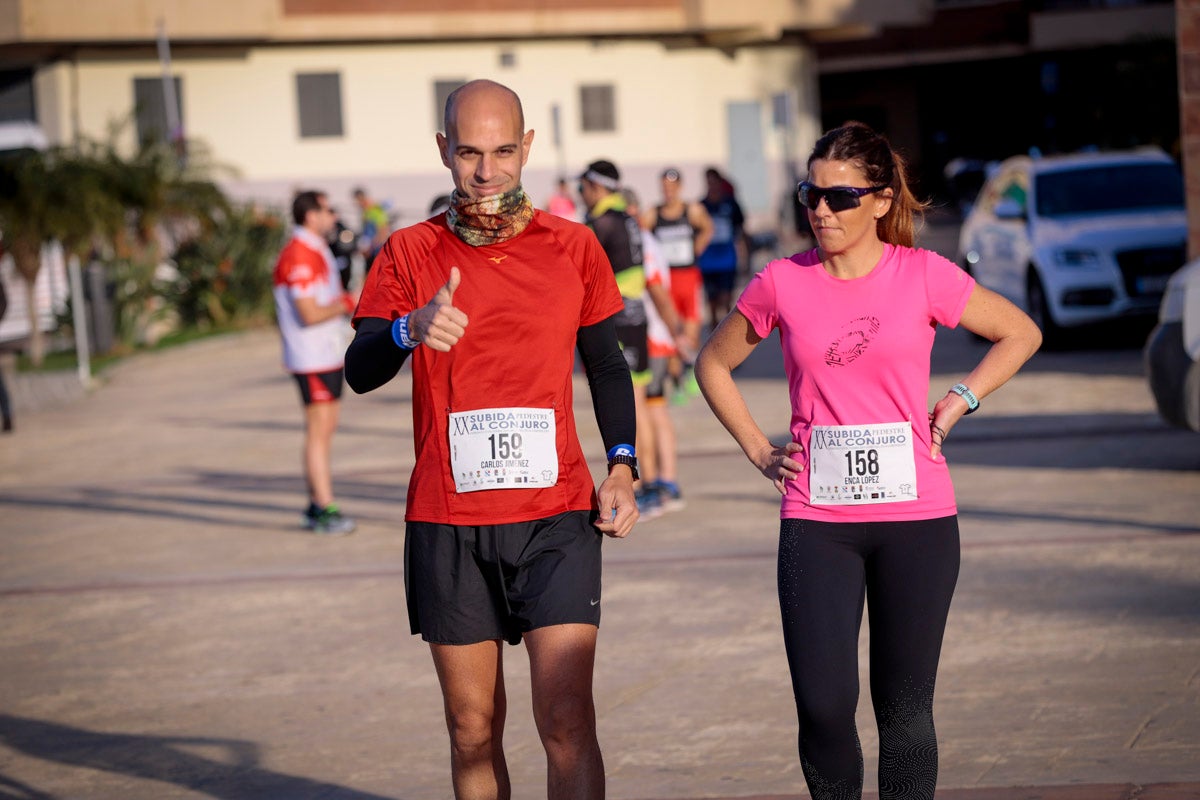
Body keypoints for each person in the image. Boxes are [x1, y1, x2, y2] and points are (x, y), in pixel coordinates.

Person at [694, 122, 1041, 800]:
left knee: (904, 711)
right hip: (817, 520)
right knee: (823, 708)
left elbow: (1019, 332)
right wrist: (759, 448)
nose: (821, 210)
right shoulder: (781, 282)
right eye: (811, 195)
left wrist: (961, 398)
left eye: (840, 197)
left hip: (917, 521)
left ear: (881, 201)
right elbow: (712, 363)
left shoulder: (924, 274)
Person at [344, 79, 639, 800]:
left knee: (567, 720)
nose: (486, 170)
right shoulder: (410, 250)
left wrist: (623, 465)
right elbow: (359, 370)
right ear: (444, 149)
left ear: (527, 147)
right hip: (449, 521)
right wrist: (409, 328)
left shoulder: (574, 245)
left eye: (503, 151)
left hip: (556, 517)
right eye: (470, 152)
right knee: (472, 728)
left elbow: (606, 366)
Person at [578, 160, 681, 519]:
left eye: (583, 187)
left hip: (617, 316)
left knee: (631, 404)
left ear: (596, 187)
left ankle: (639, 486)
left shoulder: (600, 222)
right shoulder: (628, 218)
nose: (581, 194)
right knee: (642, 403)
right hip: (636, 316)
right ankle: (651, 483)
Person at [273, 189, 358, 535]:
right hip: (311, 358)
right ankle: (323, 508)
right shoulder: (299, 253)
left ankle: (316, 504)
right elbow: (307, 313)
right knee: (318, 432)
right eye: (327, 211)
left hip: (327, 353)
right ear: (310, 216)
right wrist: (347, 304)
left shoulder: (315, 247)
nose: (333, 217)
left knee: (326, 429)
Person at [621, 186, 686, 516]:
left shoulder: (638, 242)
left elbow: (657, 290)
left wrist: (676, 333)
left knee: (640, 412)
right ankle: (667, 482)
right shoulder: (647, 239)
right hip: (656, 338)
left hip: (650, 339)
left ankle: (646, 487)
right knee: (656, 409)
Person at [642, 167, 713, 404]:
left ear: (680, 187)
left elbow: (708, 227)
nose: (668, 191)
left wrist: (698, 246)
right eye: (665, 187)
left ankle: (690, 370)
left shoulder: (691, 210)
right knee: (671, 330)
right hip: (667, 280)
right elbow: (640, 233)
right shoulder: (653, 214)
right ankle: (676, 381)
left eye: (672, 187)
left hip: (688, 277)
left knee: (691, 331)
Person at [697, 167, 747, 329]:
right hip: (707, 262)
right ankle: (714, 333)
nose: (711, 185)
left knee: (726, 299)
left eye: (714, 182)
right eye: (708, 182)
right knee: (712, 302)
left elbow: (741, 229)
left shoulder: (730, 204)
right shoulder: (701, 206)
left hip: (727, 260)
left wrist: (745, 254)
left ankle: (726, 331)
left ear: (720, 182)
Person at [352, 187, 390, 271]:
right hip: (371, 250)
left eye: (357, 201)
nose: (356, 204)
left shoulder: (374, 210)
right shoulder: (365, 211)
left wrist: (371, 247)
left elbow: (383, 231)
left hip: (377, 251)